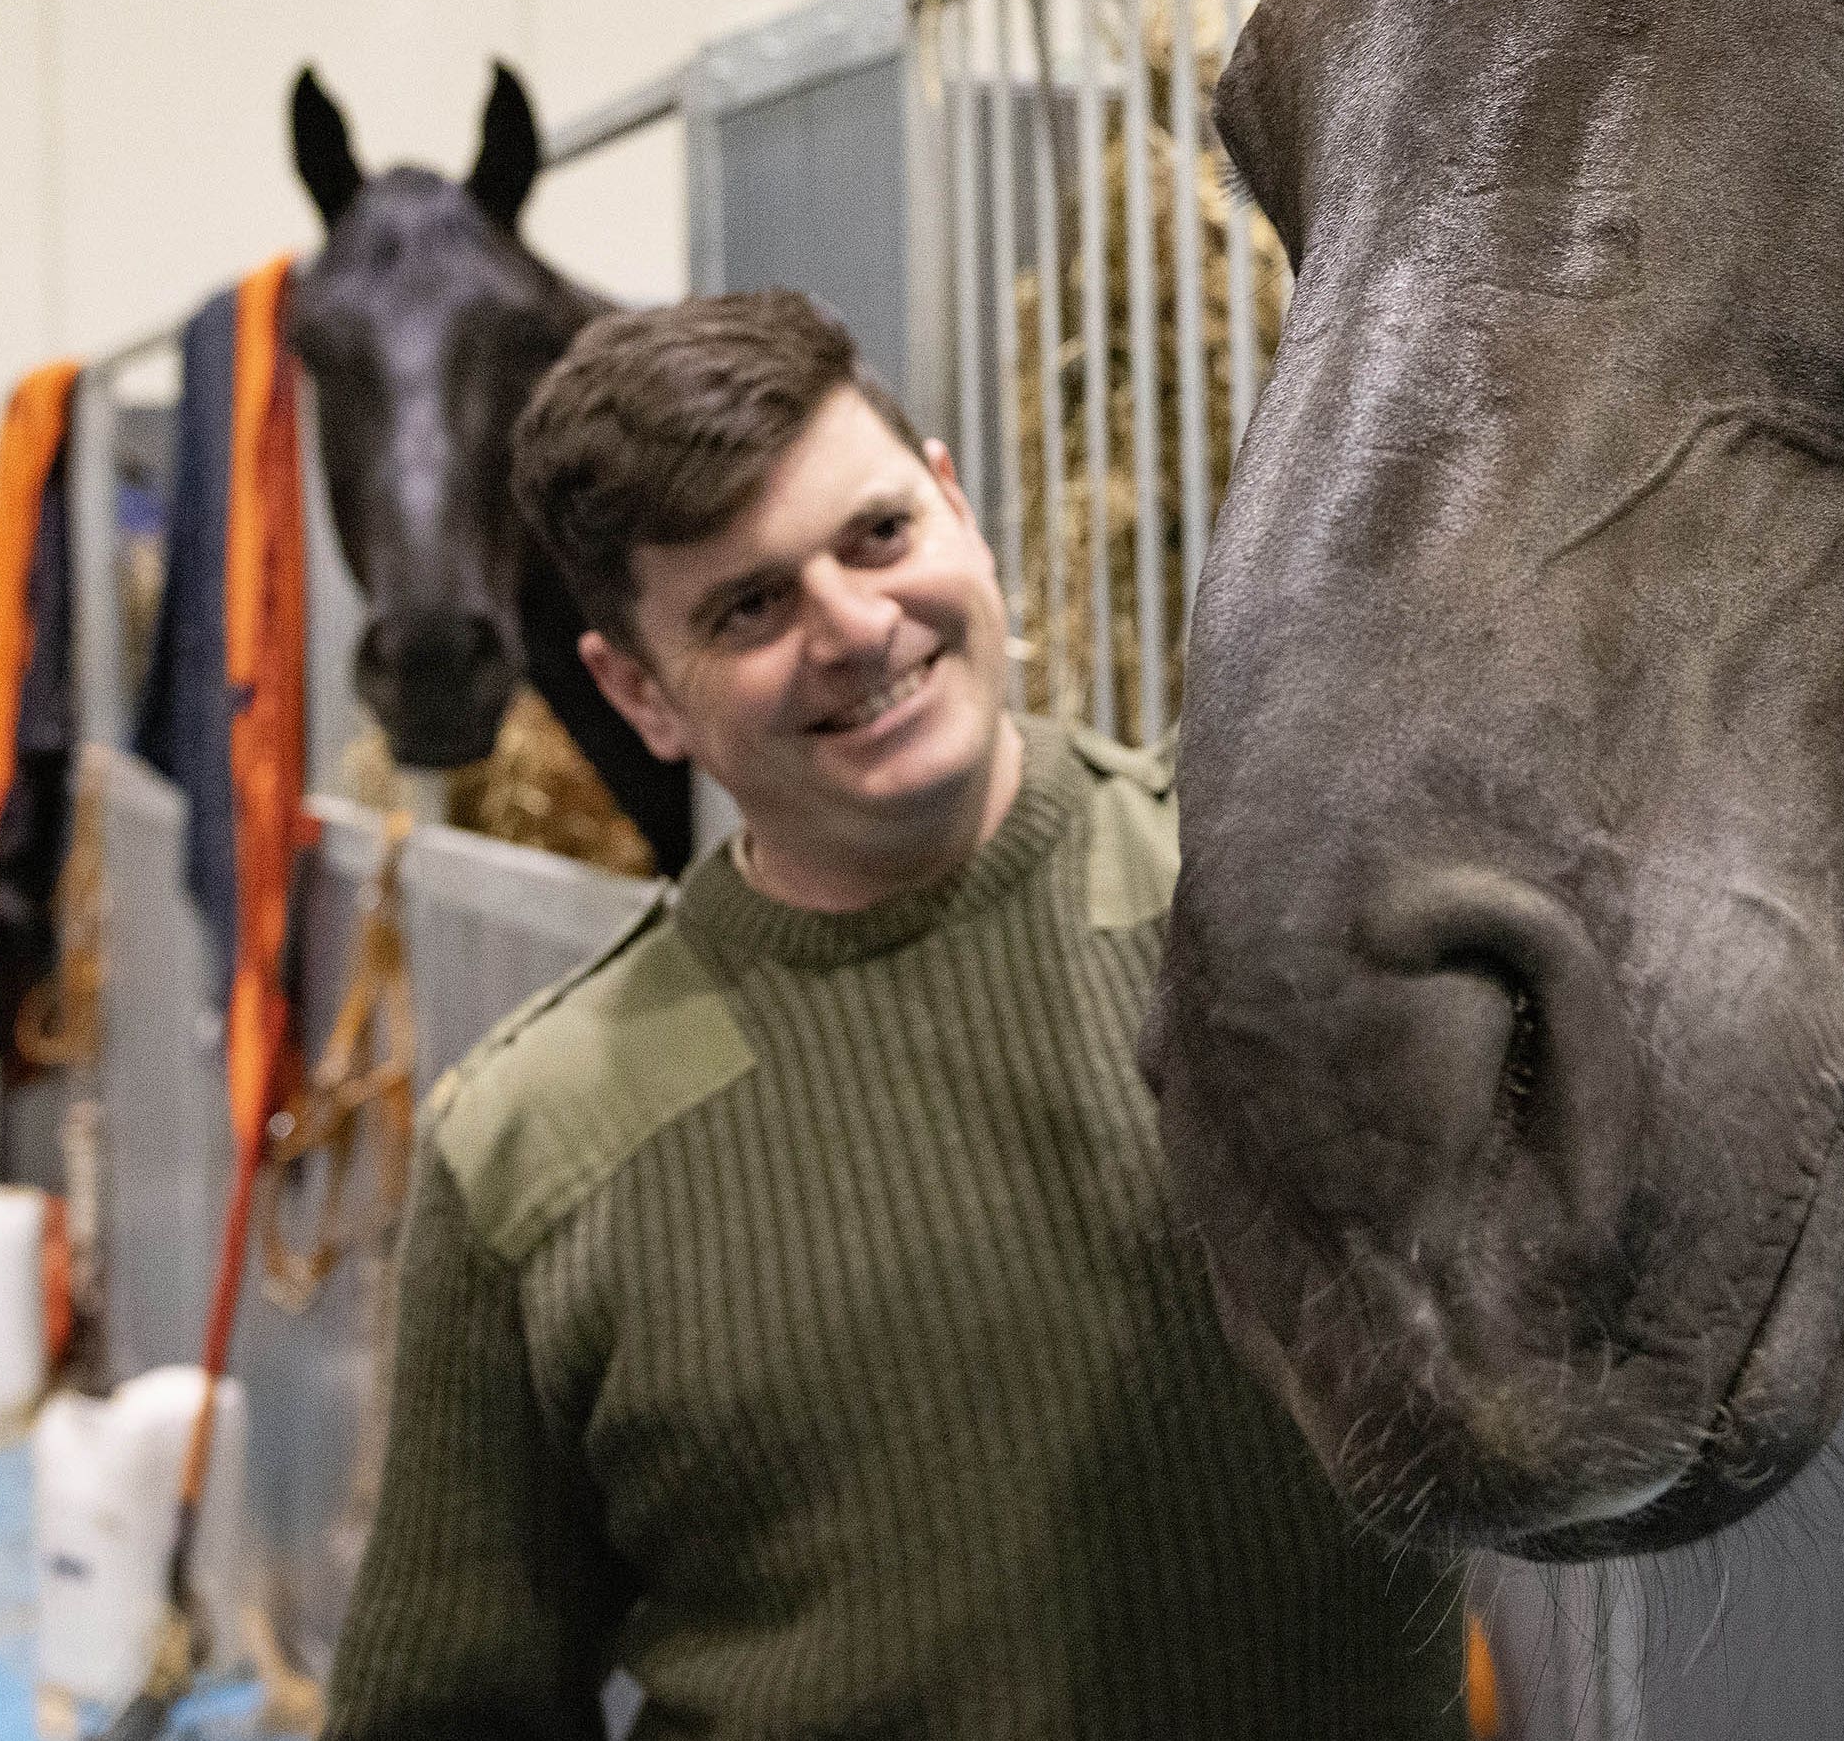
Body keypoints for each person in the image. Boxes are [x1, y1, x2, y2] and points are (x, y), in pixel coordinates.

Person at [324, 290, 1470, 1740]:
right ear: (637, 693)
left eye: (879, 537)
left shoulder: (1280, 901)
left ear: (953, 502)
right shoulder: (540, 1146)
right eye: (749, 607)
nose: (856, 628)